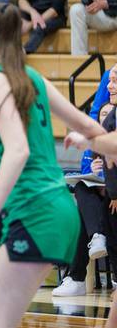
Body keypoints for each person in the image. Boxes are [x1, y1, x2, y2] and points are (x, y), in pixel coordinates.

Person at [0, 3, 105, 328]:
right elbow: (91, 126)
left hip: (35, 210)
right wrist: (87, 140)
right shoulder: (33, 77)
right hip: (60, 208)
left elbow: (17, 150)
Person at [53, 99, 113, 297]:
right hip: (99, 198)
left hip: (112, 197)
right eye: (102, 115)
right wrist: (98, 170)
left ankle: (76, 276)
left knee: (82, 216)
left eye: (109, 115)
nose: (105, 119)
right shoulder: (94, 147)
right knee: (81, 187)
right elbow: (87, 174)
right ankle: (96, 238)